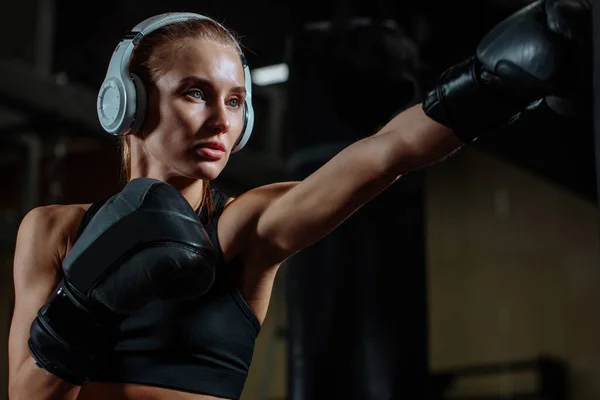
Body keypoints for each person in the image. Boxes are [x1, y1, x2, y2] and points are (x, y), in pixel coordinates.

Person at [8, 1, 591, 399]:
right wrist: (89, 303)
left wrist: (490, 84)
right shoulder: (53, 231)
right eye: (195, 93)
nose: (221, 120)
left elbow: (385, 154)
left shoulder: (245, 228)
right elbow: (28, 393)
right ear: (126, 104)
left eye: (237, 101)